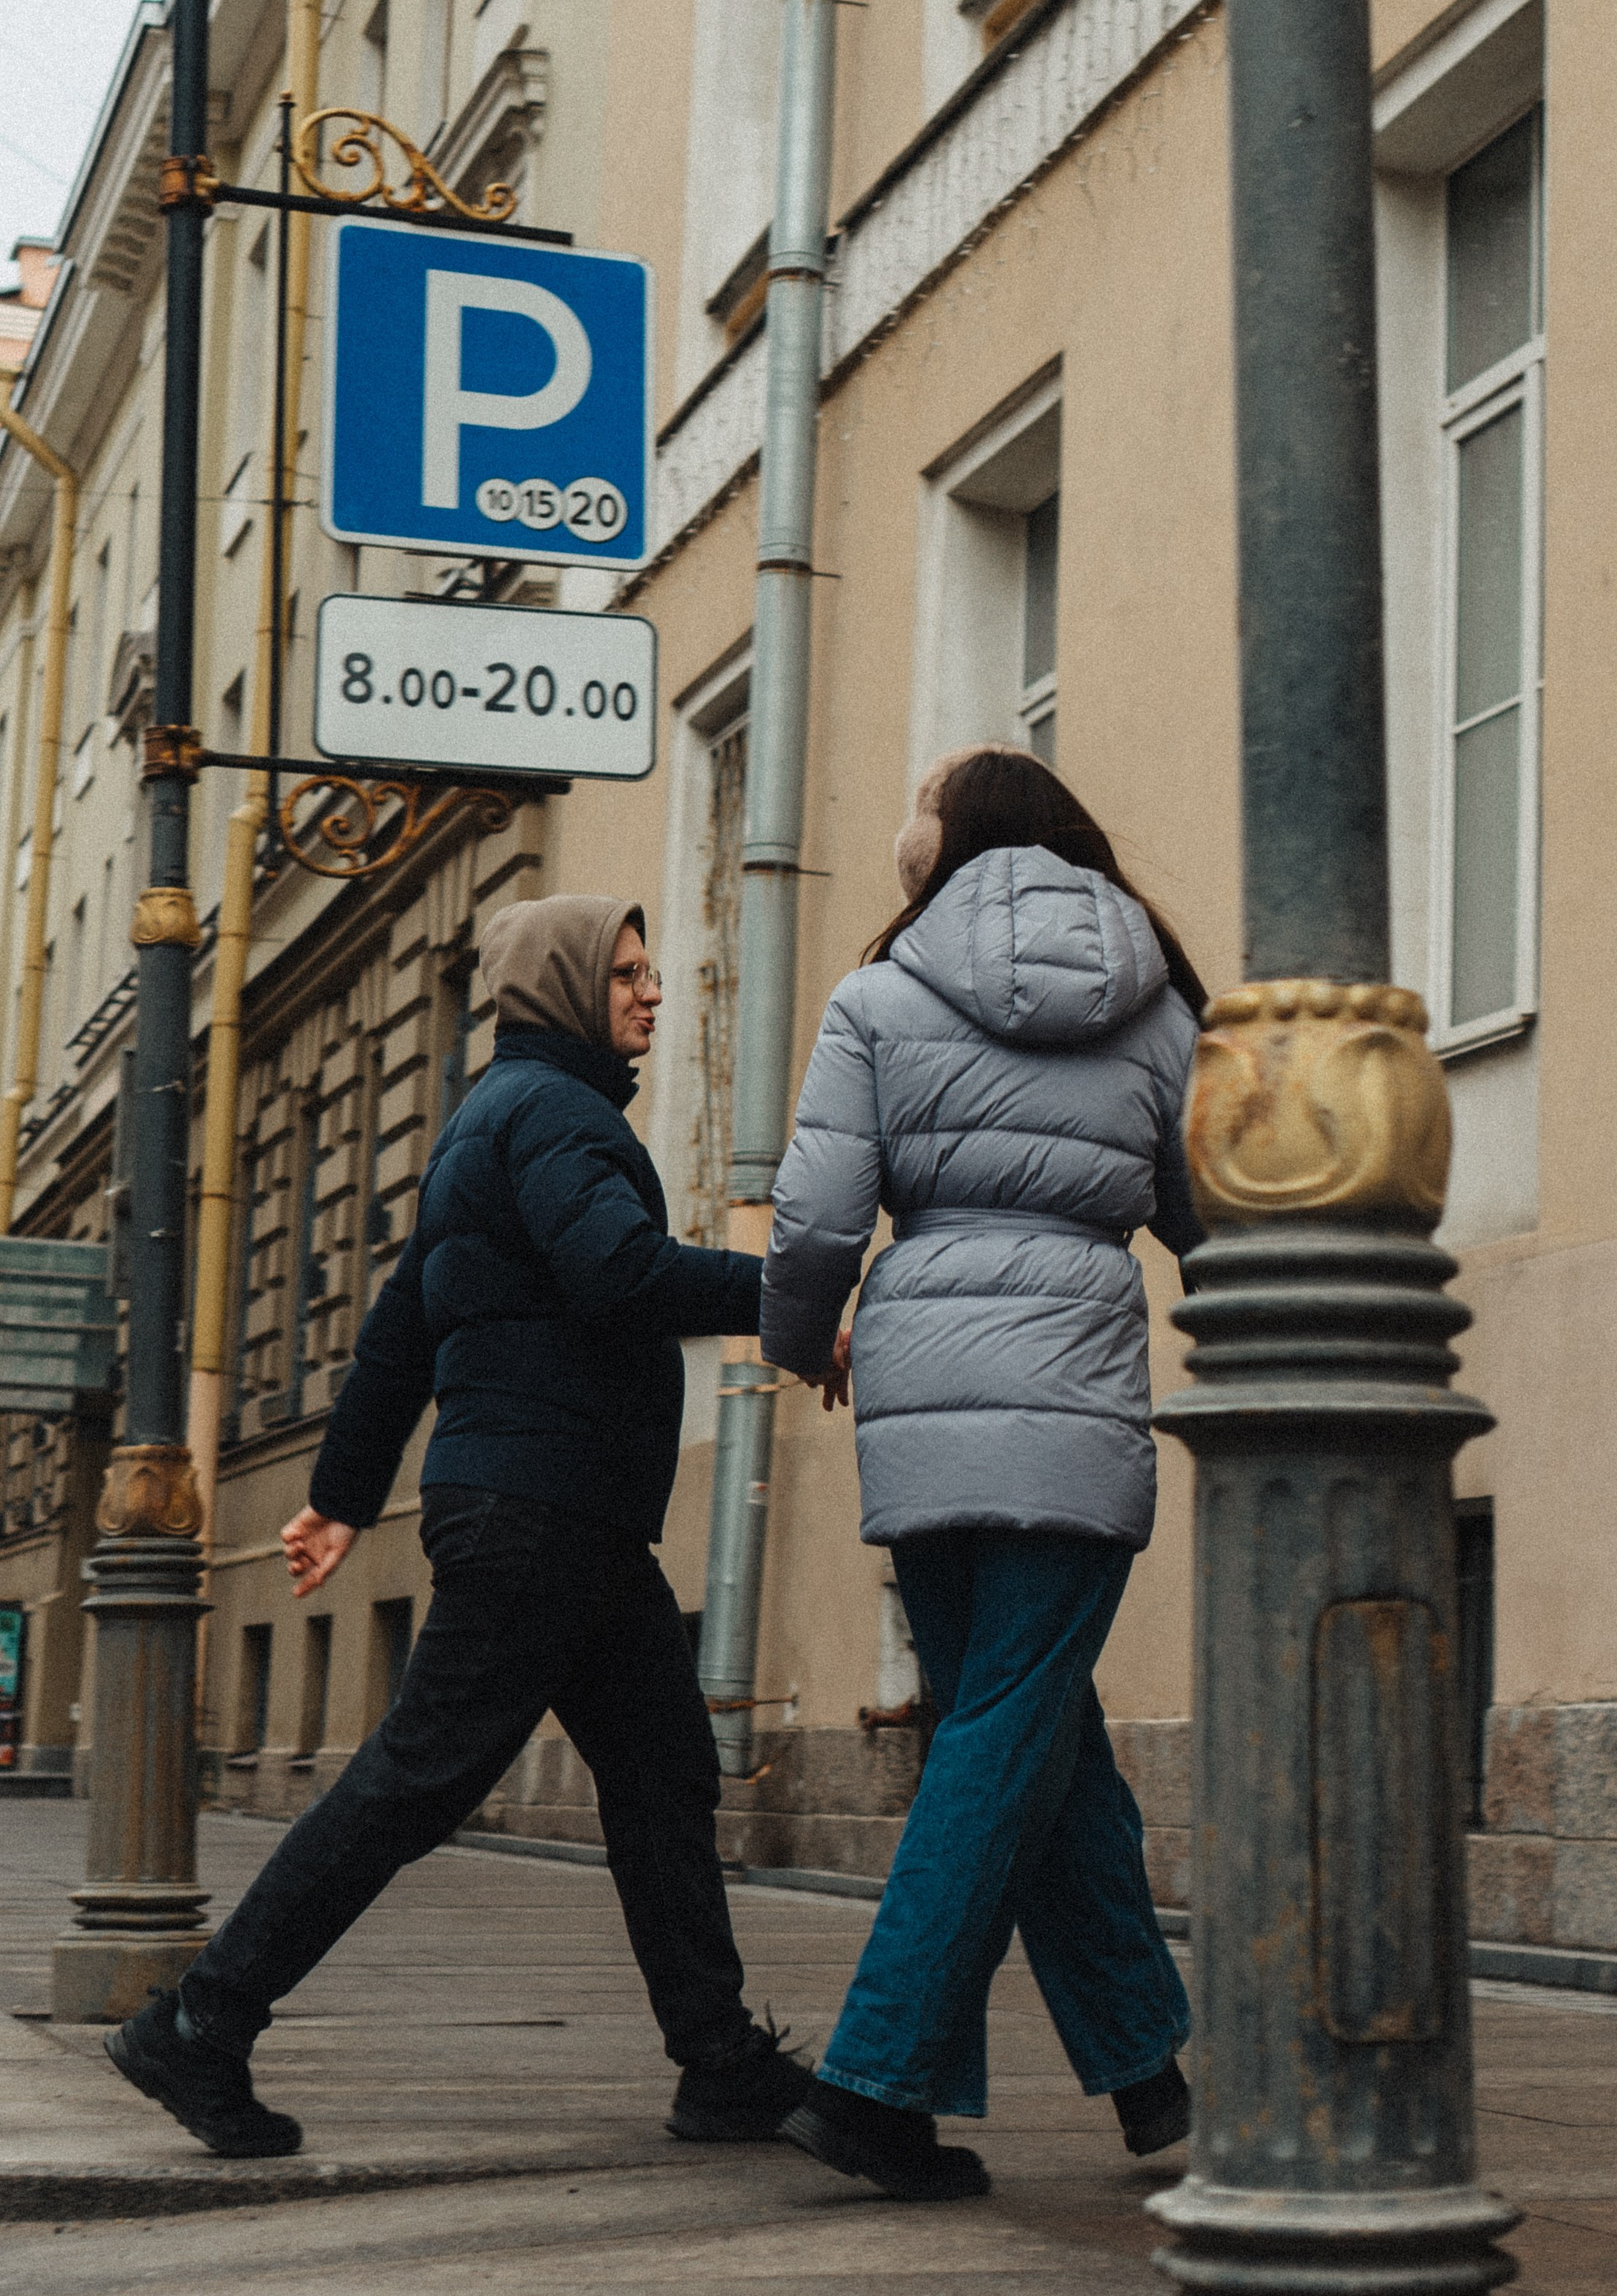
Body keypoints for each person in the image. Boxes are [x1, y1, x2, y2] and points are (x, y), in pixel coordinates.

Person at [106, 893, 807, 2160]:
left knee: (662, 1773)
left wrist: (340, 1496)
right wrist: (796, 1299)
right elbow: (621, 1274)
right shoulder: (558, 1117)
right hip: (542, 1513)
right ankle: (200, 2022)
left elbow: (400, 1327)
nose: (653, 992)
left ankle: (719, 2063)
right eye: (627, 974)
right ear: (565, 988)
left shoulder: (490, 1118)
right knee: (415, 1781)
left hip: (567, 1516)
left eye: (650, 970)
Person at [761, 747, 1206, 2202]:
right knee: (1015, 1730)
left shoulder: (877, 997)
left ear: (947, 841)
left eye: (918, 804)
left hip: (920, 1405)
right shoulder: (1159, 1007)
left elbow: (816, 1222)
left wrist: (799, 1341)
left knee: (1019, 1731)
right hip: (1075, 1399)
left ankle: (1134, 2073)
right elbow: (1214, 1216)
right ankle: (881, 2085)